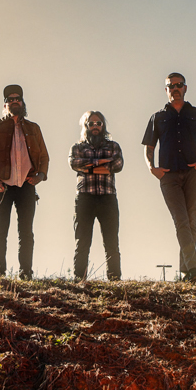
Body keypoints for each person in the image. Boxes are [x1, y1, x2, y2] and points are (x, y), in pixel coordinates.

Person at [142, 73, 196, 283]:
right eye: (171, 86)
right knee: (181, 220)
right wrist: (151, 168)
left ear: (185, 88)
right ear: (166, 90)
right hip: (169, 177)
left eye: (179, 85)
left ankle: (186, 272)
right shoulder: (157, 117)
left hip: (193, 174)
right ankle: (194, 268)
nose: (175, 88)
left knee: (191, 221)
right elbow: (149, 146)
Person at [0, 85, 49, 280]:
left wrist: (40, 176)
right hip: (2, 185)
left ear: (22, 102)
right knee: (0, 231)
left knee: (26, 232)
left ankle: (25, 273)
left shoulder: (34, 128)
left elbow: (44, 156)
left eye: (17, 98)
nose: (14, 101)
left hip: (27, 185)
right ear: (5, 104)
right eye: (10, 99)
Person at [68, 110, 124, 281]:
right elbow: (74, 163)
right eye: (91, 123)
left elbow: (118, 165)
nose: (95, 126)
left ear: (103, 126)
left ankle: (114, 279)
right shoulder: (77, 147)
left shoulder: (113, 146)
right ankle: (79, 279)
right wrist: (102, 164)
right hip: (85, 198)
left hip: (108, 198)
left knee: (111, 242)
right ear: (86, 126)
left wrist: (88, 167)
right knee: (82, 241)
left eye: (98, 123)